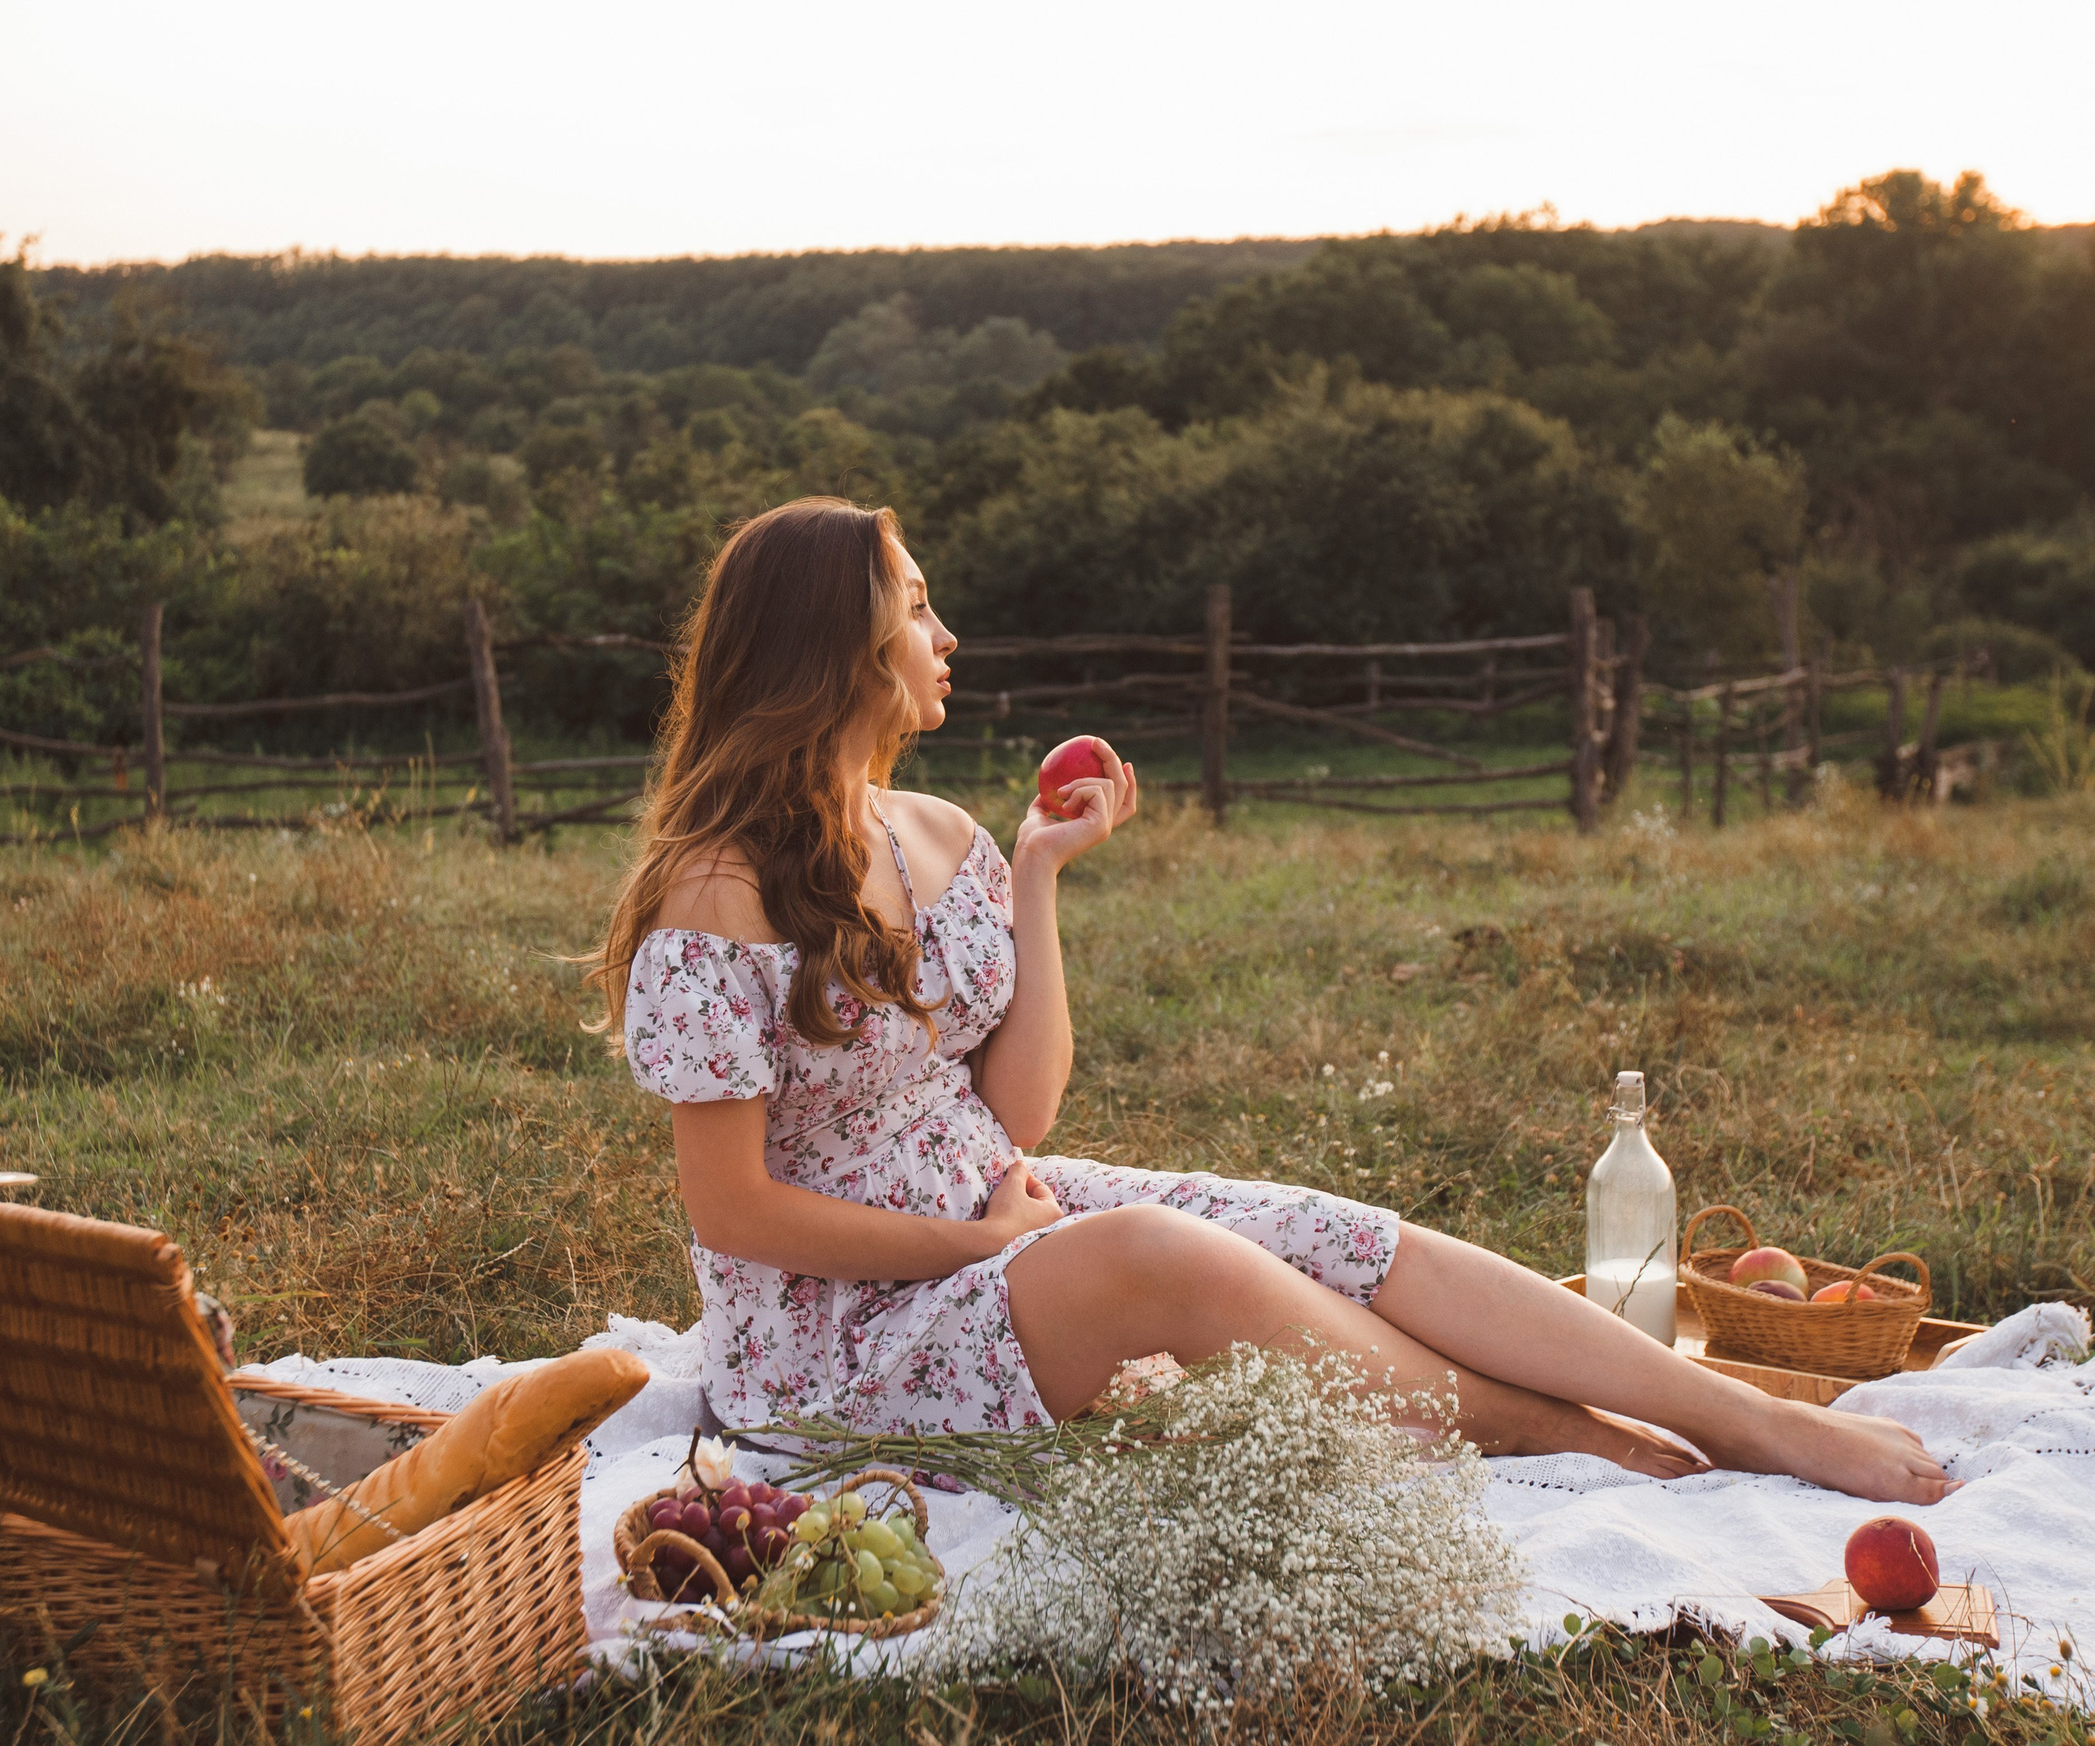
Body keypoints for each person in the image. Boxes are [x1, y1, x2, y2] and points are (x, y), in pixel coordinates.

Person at [589, 498, 1952, 1503]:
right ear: (845, 642)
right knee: (1155, 1253)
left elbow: (1014, 1108)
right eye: (920, 607)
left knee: (1312, 1228)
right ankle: (1550, 1424)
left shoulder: (938, 836)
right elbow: (733, 1211)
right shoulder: (718, 891)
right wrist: (977, 1248)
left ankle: (1739, 1418)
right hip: (834, 1335)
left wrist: (1045, 884)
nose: (947, 634)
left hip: (994, 1210)